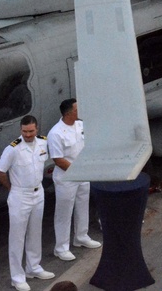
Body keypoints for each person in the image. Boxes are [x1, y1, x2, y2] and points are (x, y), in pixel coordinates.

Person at [0, 115, 56, 291]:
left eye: (31, 131)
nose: (28, 135)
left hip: (38, 193)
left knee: (35, 232)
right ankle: (17, 277)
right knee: (17, 237)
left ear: (37, 129)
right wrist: (13, 189)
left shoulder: (44, 143)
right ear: (20, 130)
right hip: (19, 196)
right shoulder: (13, 149)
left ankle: (33, 267)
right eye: (24, 131)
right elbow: (0, 173)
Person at [47, 98, 101, 262]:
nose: (80, 111)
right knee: (64, 213)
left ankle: (81, 236)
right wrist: (78, 170)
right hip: (67, 178)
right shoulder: (55, 133)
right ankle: (61, 248)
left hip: (82, 174)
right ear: (69, 113)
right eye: (78, 109)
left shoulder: (80, 125)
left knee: (82, 205)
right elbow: (58, 160)